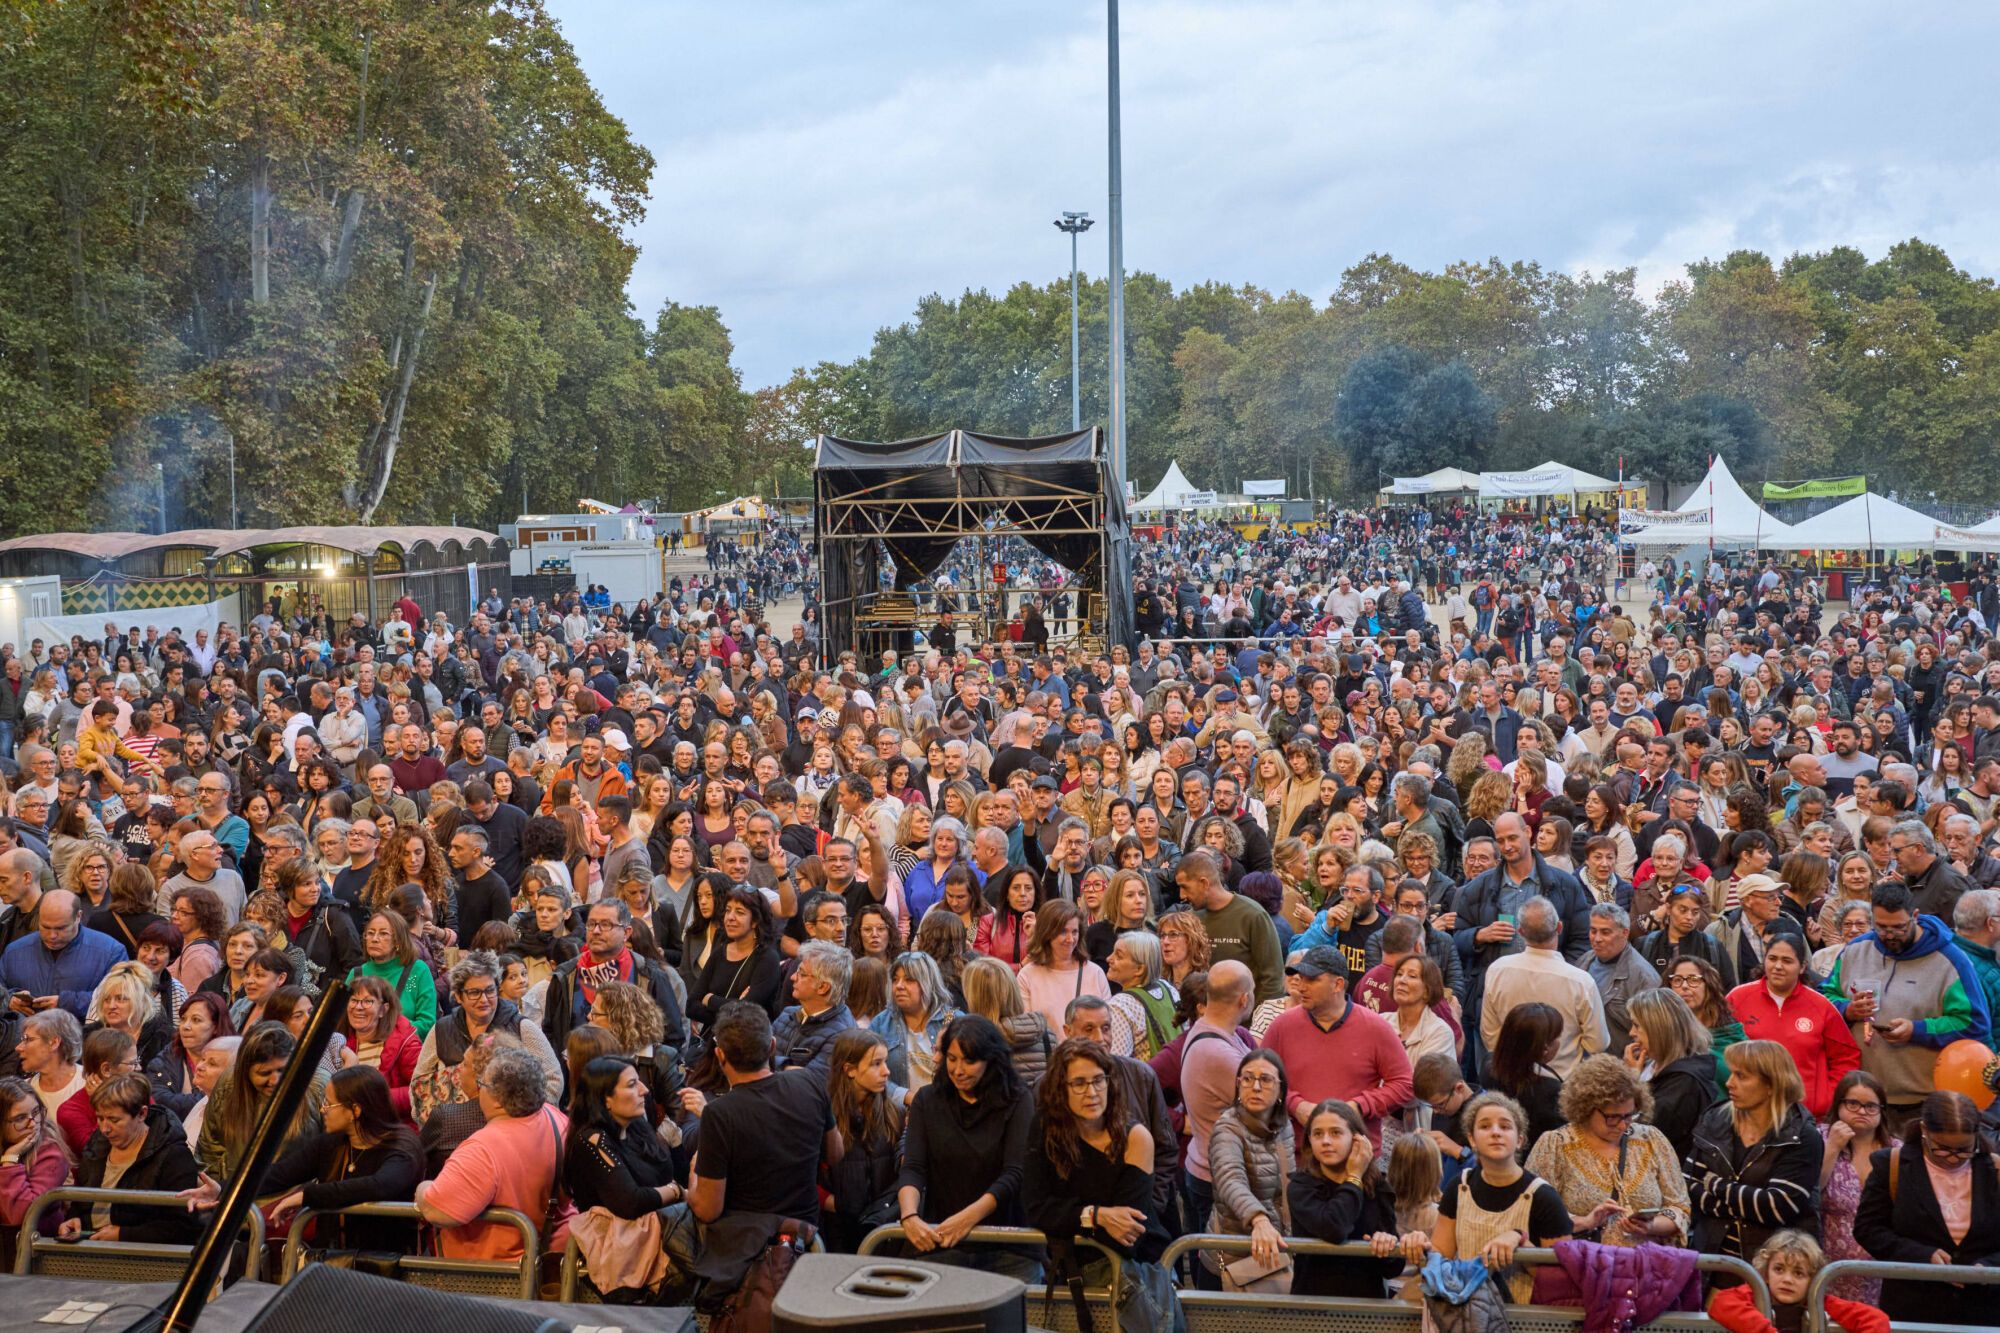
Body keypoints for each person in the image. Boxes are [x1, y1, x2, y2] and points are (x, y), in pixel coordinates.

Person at [666, 1001, 834, 1271]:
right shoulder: (809, 1083)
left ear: (720, 1056)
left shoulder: (719, 1115)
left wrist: (695, 1172)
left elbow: (708, 1209)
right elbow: (835, 1153)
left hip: (744, 1255)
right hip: (808, 1240)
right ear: (772, 1046)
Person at [1022, 1037, 1174, 1327]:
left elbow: (1128, 1236)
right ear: (1060, 1089)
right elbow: (1034, 1208)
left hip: (1135, 1272)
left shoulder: (1135, 1137)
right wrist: (1097, 1216)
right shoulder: (1044, 1128)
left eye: (1098, 1080)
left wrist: (1067, 1220)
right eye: (1079, 1083)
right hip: (1069, 1271)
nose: (1091, 1092)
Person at [1825, 879, 1991, 1126]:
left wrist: (1917, 1030)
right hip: (1862, 1098)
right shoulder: (1855, 950)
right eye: (1881, 927)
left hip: (1921, 1101)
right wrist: (1847, 1010)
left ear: (1915, 916)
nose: (1889, 935)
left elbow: (1973, 1023)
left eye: (1899, 927)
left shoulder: (1951, 961)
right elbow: (1824, 999)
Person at [895, 1014, 1038, 1282]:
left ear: (991, 1061)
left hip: (1009, 1246)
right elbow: (913, 1168)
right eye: (952, 1059)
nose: (958, 1070)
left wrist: (968, 1218)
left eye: (969, 1061)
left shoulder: (1017, 1099)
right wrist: (910, 1216)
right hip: (943, 1239)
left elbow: (1015, 1173)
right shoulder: (927, 1101)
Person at [1852, 1089, 2000, 1327]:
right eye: (1941, 1148)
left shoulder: (1994, 1169)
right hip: (1914, 1305)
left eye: (1963, 1149)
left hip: (1984, 1310)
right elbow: (1867, 1229)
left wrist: (1987, 1268)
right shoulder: (1892, 1165)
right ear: (1924, 1131)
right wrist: (1922, 1255)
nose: (1953, 1158)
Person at [415, 1045, 571, 1263]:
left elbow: (436, 1210)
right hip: (554, 1261)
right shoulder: (557, 1119)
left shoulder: (482, 1149)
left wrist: (423, 1189)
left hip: (493, 1276)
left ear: (497, 1099)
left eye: (483, 1085)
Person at [1523, 1053, 1690, 1246]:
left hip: (1647, 1267)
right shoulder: (1555, 1145)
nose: (1622, 1125)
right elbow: (1532, 1211)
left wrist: (1651, 1226)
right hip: (1584, 1267)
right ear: (1586, 1108)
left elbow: (1679, 1207)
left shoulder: (1650, 1139)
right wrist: (1584, 1222)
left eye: (1629, 1115)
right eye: (1612, 1117)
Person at [1686, 1039, 1823, 1267]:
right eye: (1731, 1074)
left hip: (1774, 1271)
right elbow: (1689, 1186)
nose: (1729, 1083)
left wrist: (1717, 1186)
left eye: (1741, 1076)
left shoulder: (1801, 1135)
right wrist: (1747, 1204)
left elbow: (1778, 1208)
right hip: (1713, 1262)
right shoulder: (1715, 1120)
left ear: (1772, 1084)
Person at [1429, 1090, 1572, 1303]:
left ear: (1519, 1140)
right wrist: (1418, 1244)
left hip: (1525, 1320)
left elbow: (1560, 1280)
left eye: (1505, 1126)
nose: (1496, 1132)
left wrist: (1521, 1242)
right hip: (1467, 1314)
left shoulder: (1544, 1197)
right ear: (1472, 1139)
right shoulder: (1459, 1186)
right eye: (1485, 1126)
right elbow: (1440, 1256)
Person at [1258, 945, 1413, 1141]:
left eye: (1312, 980)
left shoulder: (1375, 1028)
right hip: (1296, 1154)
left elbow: (1404, 1084)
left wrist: (1359, 1106)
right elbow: (1261, 1078)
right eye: (1300, 978)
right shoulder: (1282, 1026)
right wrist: (1296, 1106)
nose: (1301, 986)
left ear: (1338, 985)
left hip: (1355, 1155)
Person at [560, 1055, 683, 1293]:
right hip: (625, 1257)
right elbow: (630, 1201)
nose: (644, 1090)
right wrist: (676, 1192)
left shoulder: (637, 1127)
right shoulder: (592, 1141)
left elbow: (671, 1174)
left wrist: (676, 1146)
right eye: (631, 1084)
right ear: (605, 1099)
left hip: (660, 1242)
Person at [1287, 1097, 1419, 1298]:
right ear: (1309, 1141)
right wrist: (1354, 1177)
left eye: (1336, 1133)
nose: (1326, 1141)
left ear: (1357, 1140)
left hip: (1366, 1308)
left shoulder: (1378, 1187)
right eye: (1317, 1134)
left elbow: (1393, 1269)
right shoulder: (1301, 1186)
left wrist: (1387, 1245)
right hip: (1312, 1307)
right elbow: (1334, 1227)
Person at [411, 951, 562, 1122]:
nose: (484, 999)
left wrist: (519, 1114)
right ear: (459, 996)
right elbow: (418, 1081)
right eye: (474, 992)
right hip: (456, 1127)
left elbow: (553, 1079)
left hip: (511, 1125)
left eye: (490, 990)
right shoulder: (442, 1029)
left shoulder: (521, 1026)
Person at [1727, 931, 1858, 1118]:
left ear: (1803, 967)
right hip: (1748, 1111)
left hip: (1805, 1114)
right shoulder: (1737, 998)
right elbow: (1718, 1047)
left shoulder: (1821, 1006)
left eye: (1787, 961)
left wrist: (1826, 1099)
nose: (1778, 966)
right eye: (1772, 959)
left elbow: (1846, 1058)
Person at [58, 1073, 200, 1244]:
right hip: (89, 1245)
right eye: (100, 1118)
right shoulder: (97, 1146)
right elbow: (80, 1202)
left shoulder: (173, 1156)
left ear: (141, 1114)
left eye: (114, 1120)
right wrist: (74, 1219)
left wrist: (124, 1235)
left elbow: (182, 1227)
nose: (104, 1129)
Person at [1479, 894, 1609, 1078]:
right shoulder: (1580, 982)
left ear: (1520, 931)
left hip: (1510, 1079)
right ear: (1559, 927)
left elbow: (1490, 1035)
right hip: (1562, 1081)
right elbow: (1598, 1043)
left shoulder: (1498, 970)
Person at [543, 898, 688, 1058]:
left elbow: (672, 1037)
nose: (596, 931)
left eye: (606, 925)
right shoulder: (565, 975)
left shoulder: (650, 975)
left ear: (626, 933)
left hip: (633, 1077)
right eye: (591, 924)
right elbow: (551, 1034)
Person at [1202, 1047, 1296, 1292]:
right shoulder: (1227, 1128)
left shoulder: (1283, 1126)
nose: (1255, 1087)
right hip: (1233, 1255)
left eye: (1265, 1080)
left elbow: (1288, 1186)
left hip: (1273, 1248)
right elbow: (1230, 1179)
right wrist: (1259, 1219)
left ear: (1280, 1089)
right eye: (1247, 1078)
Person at [196, 1022, 327, 1182]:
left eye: (283, 1070)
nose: (275, 1080)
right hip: (236, 1193)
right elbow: (209, 1148)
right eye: (264, 1073)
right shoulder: (229, 1084)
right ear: (245, 1072)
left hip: (295, 1199)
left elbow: (332, 1153)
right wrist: (220, 1188)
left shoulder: (318, 1086)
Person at [1818, 1069, 1898, 1306]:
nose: (1862, 1111)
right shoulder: (1819, 1138)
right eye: (1853, 1103)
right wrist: (1833, 1147)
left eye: (1871, 1106)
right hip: (1829, 1269)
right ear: (1838, 1104)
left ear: (1882, 1111)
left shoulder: (1896, 1152)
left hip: (1882, 1271)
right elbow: (1811, 1191)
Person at [1707, 1230, 1892, 1333]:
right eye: (1779, 1269)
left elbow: (1875, 1319)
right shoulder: (1753, 1295)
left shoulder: (1821, 1302)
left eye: (1798, 1273)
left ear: (1814, 1279)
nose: (1787, 1280)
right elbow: (1722, 1303)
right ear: (1765, 1272)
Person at [820, 1029, 903, 1253]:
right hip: (835, 1230)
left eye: (885, 1062)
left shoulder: (894, 1114)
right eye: (876, 1064)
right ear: (849, 1070)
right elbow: (805, 1173)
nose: (886, 1071)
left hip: (881, 1229)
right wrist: (835, 1204)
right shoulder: (823, 1115)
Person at [2, 889, 128, 1020]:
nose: (52, 936)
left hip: (82, 1037)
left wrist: (67, 1003)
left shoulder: (111, 952)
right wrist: (8, 999)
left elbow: (122, 998)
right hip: (24, 1037)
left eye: (61, 928)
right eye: (45, 927)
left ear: (78, 917)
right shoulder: (14, 951)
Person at [1623, 987, 1716, 1158]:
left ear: (1658, 1029)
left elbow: (1642, 1134)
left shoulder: (1684, 1083)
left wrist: (1633, 1082)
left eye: (1637, 1026)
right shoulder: (1652, 1064)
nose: (1631, 1033)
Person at [685, 886, 784, 1027]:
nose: (730, 918)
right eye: (727, 910)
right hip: (713, 1040)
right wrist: (733, 1006)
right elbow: (691, 1007)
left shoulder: (767, 959)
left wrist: (710, 999)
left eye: (739, 912)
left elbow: (747, 1013)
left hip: (749, 1042)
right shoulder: (719, 953)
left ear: (755, 921)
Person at [1015, 899, 1111, 1041]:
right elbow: (1025, 1029)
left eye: (1074, 932)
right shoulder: (1027, 975)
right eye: (1063, 932)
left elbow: (1108, 1025)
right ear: (1047, 933)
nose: (1070, 939)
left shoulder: (1095, 973)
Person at [0, 1076, 71, 1253]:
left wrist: (10, 1159)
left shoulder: (49, 1151)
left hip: (32, 1251)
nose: (33, 1123)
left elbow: (22, 1214)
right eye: (21, 1118)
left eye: (36, 1112)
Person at [871, 950, 955, 1095]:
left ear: (928, 983)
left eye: (909, 980)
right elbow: (869, 1070)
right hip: (897, 1112)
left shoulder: (954, 1021)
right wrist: (905, 1097)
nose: (899, 986)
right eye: (895, 979)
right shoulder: (881, 1023)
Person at [338, 975, 421, 1118]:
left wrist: (375, 1099)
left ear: (383, 1009)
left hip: (392, 1126)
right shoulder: (339, 1040)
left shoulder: (406, 1042)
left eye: (368, 1001)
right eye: (354, 1000)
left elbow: (422, 1090)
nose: (358, 1007)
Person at [1484, 1001, 1565, 1145]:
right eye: (1557, 1037)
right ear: (1544, 1049)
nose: (1559, 1041)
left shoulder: (1489, 1065)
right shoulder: (1550, 1091)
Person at [146, 990, 231, 1119]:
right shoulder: (162, 1061)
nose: (185, 1026)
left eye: (196, 1020)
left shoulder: (233, 1059)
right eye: (183, 1019)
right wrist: (211, 1097)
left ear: (216, 1027)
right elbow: (160, 1104)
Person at [17, 1009, 92, 1153]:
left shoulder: (89, 1083)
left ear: (54, 1042)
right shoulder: (23, 1090)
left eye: (28, 1039)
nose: (18, 1048)